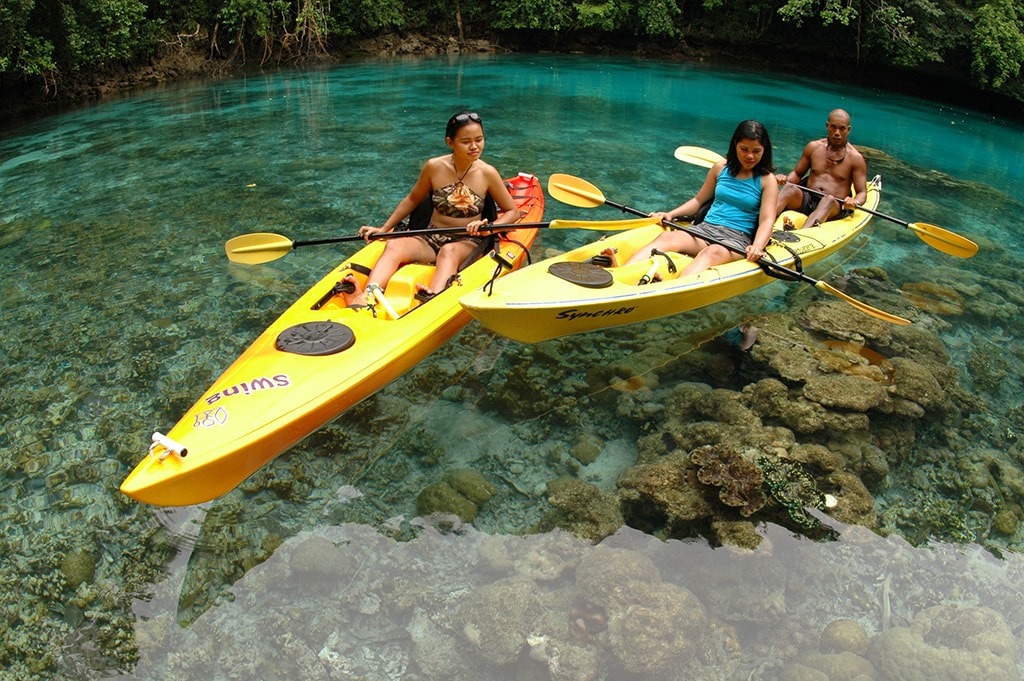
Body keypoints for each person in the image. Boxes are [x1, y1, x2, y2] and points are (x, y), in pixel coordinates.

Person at [344, 111, 519, 308]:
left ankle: (432, 298)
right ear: (450, 142)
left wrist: (489, 227)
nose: (474, 146)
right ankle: (367, 296)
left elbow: (513, 212)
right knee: (394, 246)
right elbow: (411, 200)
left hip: (466, 241)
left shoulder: (487, 173)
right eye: (466, 141)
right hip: (429, 236)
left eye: (479, 139)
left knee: (448, 251)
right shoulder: (434, 167)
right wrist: (384, 229)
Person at [603, 119, 778, 281]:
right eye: (744, 149)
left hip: (736, 239)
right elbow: (698, 200)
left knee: (711, 253)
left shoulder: (766, 180)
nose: (750, 156)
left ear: (764, 151)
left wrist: (757, 246)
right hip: (705, 229)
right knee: (666, 238)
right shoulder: (720, 168)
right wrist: (670, 214)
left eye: (756, 151)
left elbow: (767, 220)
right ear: (735, 145)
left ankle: (670, 288)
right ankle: (620, 273)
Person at [775, 108, 867, 228]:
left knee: (828, 199)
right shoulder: (813, 147)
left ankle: (803, 235)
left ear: (848, 130)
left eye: (842, 128)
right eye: (833, 127)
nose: (837, 133)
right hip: (807, 198)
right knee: (789, 188)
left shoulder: (855, 158)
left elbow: (862, 192)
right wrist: (785, 180)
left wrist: (855, 201)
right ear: (827, 126)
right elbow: (797, 174)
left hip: (833, 206)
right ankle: (760, 222)